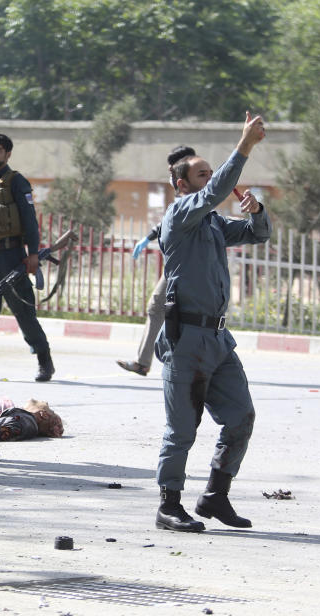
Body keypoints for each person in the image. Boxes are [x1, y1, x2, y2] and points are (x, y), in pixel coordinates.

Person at [154, 113, 269, 532]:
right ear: (182, 185)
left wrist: (257, 211)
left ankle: (215, 495)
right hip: (187, 339)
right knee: (182, 429)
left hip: (218, 340)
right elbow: (219, 189)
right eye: (202, 174)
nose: (212, 179)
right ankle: (168, 505)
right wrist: (244, 146)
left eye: (210, 173)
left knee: (241, 417)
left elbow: (257, 234)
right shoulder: (180, 216)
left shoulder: (214, 224)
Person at [0, 133, 54, 382]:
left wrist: (31, 255)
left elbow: (30, 220)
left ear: (8, 153)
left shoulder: (17, 182)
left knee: (23, 311)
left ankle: (44, 359)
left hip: (12, 255)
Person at [117, 146, 197, 377]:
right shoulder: (187, 189)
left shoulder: (193, 191)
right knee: (167, 309)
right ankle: (146, 362)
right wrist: (149, 238)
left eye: (173, 168)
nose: (170, 174)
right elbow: (170, 222)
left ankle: (147, 363)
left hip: (187, 262)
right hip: (179, 261)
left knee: (168, 309)